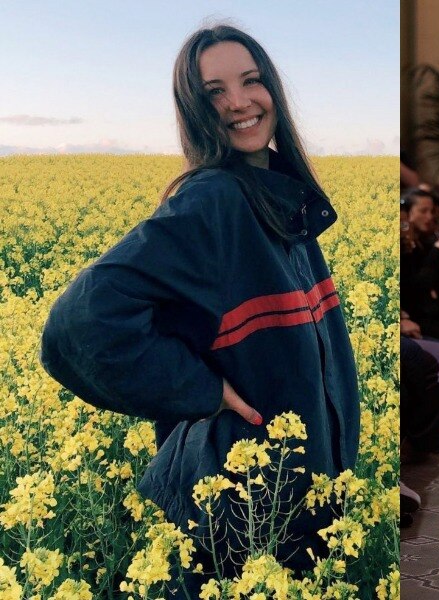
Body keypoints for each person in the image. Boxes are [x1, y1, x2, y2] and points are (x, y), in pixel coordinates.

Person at [38, 24, 359, 596]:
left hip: (287, 510)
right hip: (231, 514)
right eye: (214, 91)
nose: (239, 102)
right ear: (194, 110)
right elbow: (78, 323)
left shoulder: (284, 202)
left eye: (251, 81)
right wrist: (200, 391)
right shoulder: (214, 200)